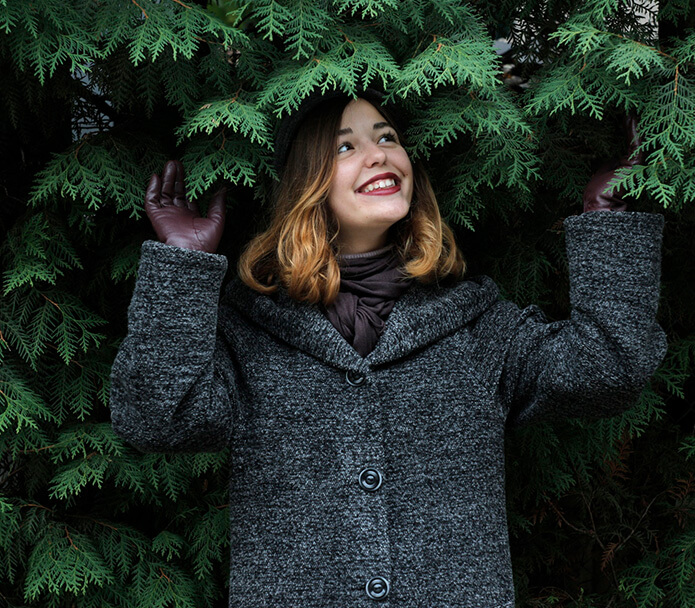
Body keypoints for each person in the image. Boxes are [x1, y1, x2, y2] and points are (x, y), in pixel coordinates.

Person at [109, 88, 667, 608]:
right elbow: (156, 419)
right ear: (306, 183)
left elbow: (608, 368)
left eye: (387, 137)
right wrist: (182, 267)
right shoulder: (250, 332)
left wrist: (607, 223)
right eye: (345, 147)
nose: (378, 154)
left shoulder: (477, 326)